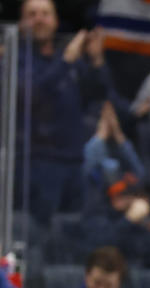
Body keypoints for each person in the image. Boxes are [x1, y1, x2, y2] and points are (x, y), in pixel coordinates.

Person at [19, 0, 113, 224]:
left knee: (75, 234)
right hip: (35, 163)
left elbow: (99, 93)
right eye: (32, 14)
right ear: (22, 23)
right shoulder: (17, 58)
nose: (39, 19)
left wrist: (96, 60)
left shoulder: (69, 59)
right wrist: (65, 61)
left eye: (45, 13)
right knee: (40, 235)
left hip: (74, 161)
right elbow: (30, 97)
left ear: (56, 21)